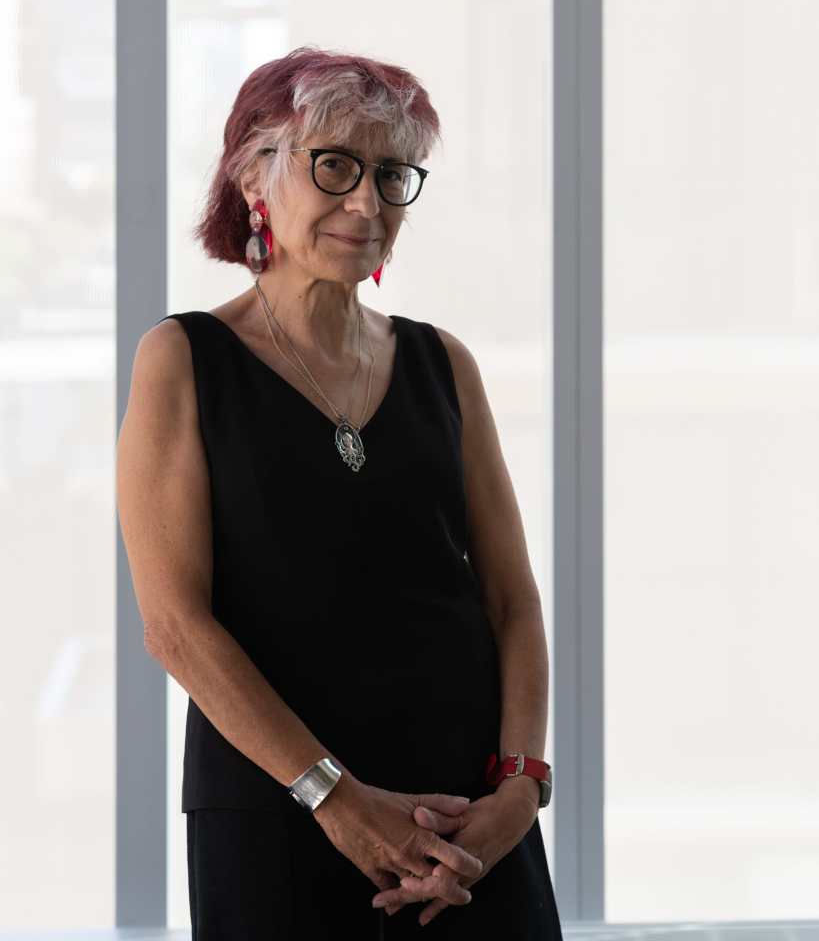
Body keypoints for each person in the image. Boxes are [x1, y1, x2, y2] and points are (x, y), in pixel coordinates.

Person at [116, 46, 563, 939]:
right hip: (278, 808)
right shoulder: (183, 360)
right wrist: (337, 799)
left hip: (466, 821)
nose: (365, 202)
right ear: (253, 175)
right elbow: (174, 625)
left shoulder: (443, 364)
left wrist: (519, 789)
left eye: (391, 174)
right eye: (334, 166)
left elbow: (511, 602)